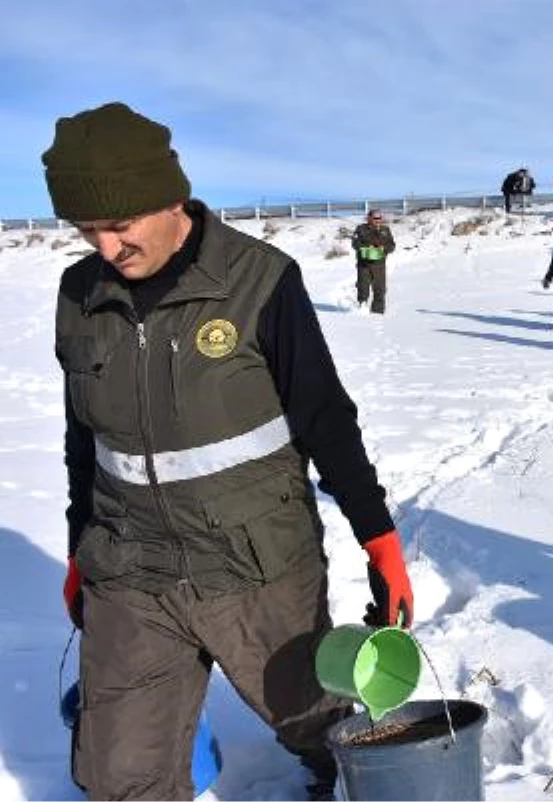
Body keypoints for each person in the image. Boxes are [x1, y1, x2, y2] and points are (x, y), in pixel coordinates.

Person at [46, 102, 415, 802]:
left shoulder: (259, 281)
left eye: (119, 226)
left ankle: (334, 773)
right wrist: (77, 544)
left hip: (254, 559)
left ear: (169, 197)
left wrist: (379, 537)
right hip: (130, 567)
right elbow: (81, 439)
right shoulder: (78, 295)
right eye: (86, 231)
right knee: (117, 777)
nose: (104, 248)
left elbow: (325, 418)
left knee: (312, 716)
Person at [350, 209, 395, 314]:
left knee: (380, 290)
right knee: (363, 287)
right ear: (369, 218)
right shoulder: (360, 229)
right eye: (375, 218)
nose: (378, 220)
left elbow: (392, 246)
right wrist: (367, 247)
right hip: (364, 264)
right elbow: (355, 244)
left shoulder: (385, 230)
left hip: (379, 265)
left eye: (379, 218)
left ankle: (377, 314)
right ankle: (362, 311)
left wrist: (384, 248)